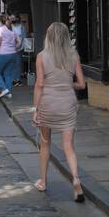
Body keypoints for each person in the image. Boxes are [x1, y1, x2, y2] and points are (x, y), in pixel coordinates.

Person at [32, 22, 87, 201]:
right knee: (69, 146)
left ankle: (43, 181)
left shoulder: (41, 56)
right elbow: (82, 84)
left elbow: (40, 84)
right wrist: (66, 84)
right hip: (67, 104)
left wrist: (36, 109)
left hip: (48, 103)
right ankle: (76, 180)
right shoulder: (74, 55)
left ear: (48, 37)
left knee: (45, 143)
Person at [0, 14, 21, 98]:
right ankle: (9, 93)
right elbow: (19, 42)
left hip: (2, 54)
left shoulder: (0, 29)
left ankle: (4, 89)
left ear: (1, 21)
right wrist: (14, 48)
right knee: (8, 74)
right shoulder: (13, 30)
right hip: (13, 54)